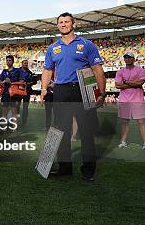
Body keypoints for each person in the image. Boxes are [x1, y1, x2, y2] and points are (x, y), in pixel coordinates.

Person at [41, 12, 106, 181]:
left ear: (74, 24)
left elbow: (98, 69)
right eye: (60, 22)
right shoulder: (52, 47)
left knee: (86, 131)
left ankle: (88, 169)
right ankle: (65, 167)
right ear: (58, 26)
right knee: (61, 130)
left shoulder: (86, 44)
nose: (63, 24)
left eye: (66, 21)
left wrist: (102, 92)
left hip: (83, 90)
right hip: (61, 91)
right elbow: (47, 70)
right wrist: (43, 89)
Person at [115, 51, 145, 149]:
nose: (127, 59)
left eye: (129, 57)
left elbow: (139, 84)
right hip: (124, 99)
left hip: (137, 99)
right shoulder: (120, 71)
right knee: (124, 122)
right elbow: (117, 85)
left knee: (141, 122)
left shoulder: (140, 70)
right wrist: (134, 83)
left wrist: (126, 82)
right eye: (126, 57)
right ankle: (123, 142)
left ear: (134, 59)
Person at [0, 55, 23, 132]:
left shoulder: (17, 71)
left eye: (9, 60)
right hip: (5, 94)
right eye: (7, 60)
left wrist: (11, 82)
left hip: (14, 94)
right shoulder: (4, 71)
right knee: (4, 112)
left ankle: (14, 128)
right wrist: (2, 82)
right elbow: (0, 82)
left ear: (13, 61)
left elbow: (21, 82)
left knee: (14, 112)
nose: (8, 61)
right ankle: (4, 128)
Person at [18, 59, 35, 128]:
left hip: (27, 92)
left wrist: (29, 83)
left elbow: (34, 82)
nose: (25, 64)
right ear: (21, 64)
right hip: (18, 91)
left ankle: (24, 123)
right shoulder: (17, 71)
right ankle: (16, 121)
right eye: (24, 63)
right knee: (16, 107)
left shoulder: (30, 72)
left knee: (25, 108)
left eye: (26, 63)